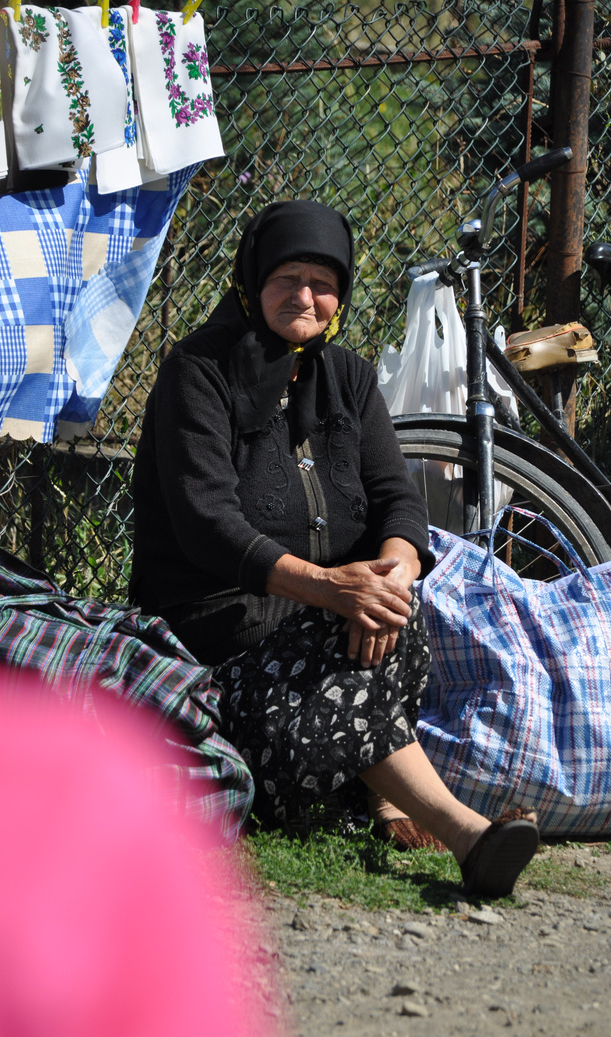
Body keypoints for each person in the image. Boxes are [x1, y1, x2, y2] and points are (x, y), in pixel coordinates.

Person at [129, 198, 539, 897]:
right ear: (252, 282)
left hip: (325, 632)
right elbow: (206, 521)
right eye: (287, 278)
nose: (306, 297)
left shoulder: (346, 376)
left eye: (323, 284)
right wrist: (330, 591)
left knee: (397, 621)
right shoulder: (197, 372)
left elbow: (397, 498)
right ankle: (462, 833)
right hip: (216, 643)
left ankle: (375, 791)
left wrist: (392, 573)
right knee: (345, 634)